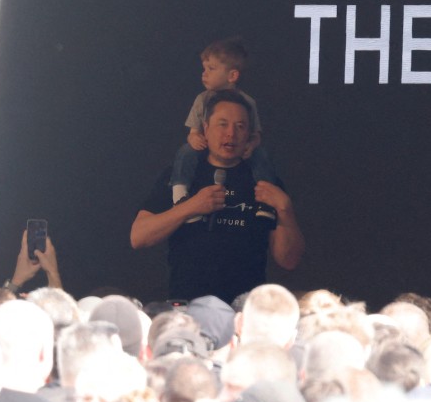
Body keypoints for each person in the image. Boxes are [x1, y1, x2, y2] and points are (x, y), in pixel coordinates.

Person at [131, 89, 305, 303]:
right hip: (188, 307)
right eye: (222, 124)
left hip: (243, 311)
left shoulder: (265, 182)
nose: (231, 134)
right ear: (205, 128)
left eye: (240, 126)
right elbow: (138, 237)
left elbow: (288, 260)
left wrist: (285, 210)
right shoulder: (181, 177)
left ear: (250, 134)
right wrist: (190, 207)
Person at [172, 37, 270, 205]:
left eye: (211, 68)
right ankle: (180, 194)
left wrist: (251, 145)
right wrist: (194, 138)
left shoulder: (248, 102)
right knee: (185, 152)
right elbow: (193, 131)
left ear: (232, 75)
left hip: (237, 150)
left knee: (261, 155)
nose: (205, 74)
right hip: (206, 148)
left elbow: (256, 134)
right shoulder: (201, 100)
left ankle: (267, 200)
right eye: (204, 68)